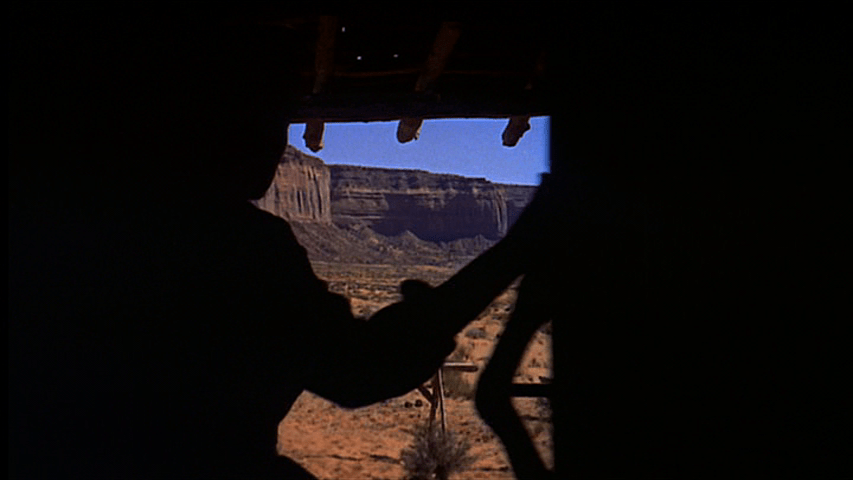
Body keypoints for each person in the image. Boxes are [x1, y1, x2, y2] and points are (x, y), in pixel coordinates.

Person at [8, 6, 553, 478]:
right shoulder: (235, 251)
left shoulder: (67, 228)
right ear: (204, 126)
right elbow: (360, 370)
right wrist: (512, 254)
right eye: (264, 123)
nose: (275, 148)